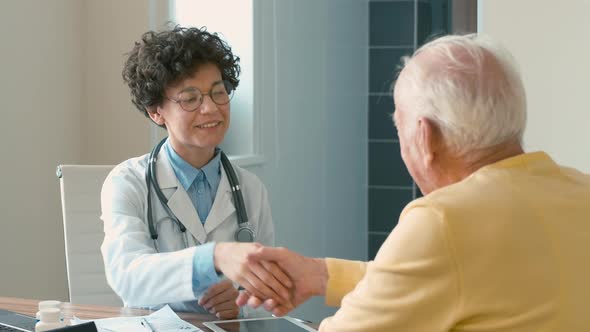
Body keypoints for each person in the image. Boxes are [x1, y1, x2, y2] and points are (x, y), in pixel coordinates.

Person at [234, 34, 590, 331]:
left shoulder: (444, 221)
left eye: (398, 126)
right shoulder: (580, 191)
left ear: (424, 137)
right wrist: (321, 275)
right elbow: (459, 279)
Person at [100, 26, 290, 318]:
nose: (210, 108)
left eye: (218, 92)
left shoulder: (250, 189)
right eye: (190, 99)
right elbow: (128, 277)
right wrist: (212, 258)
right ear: (156, 111)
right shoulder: (128, 183)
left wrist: (240, 308)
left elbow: (268, 296)